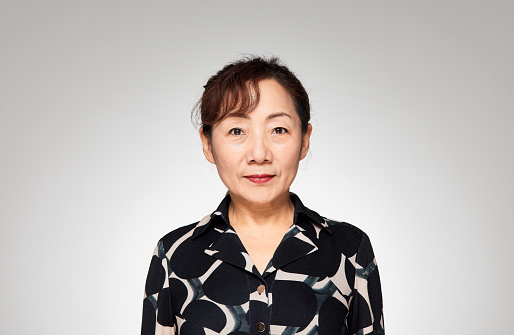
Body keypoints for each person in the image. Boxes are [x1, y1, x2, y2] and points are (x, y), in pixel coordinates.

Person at [141, 56, 384, 335]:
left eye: (278, 129)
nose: (259, 154)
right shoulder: (174, 255)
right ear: (207, 144)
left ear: (304, 139)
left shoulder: (350, 250)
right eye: (237, 131)